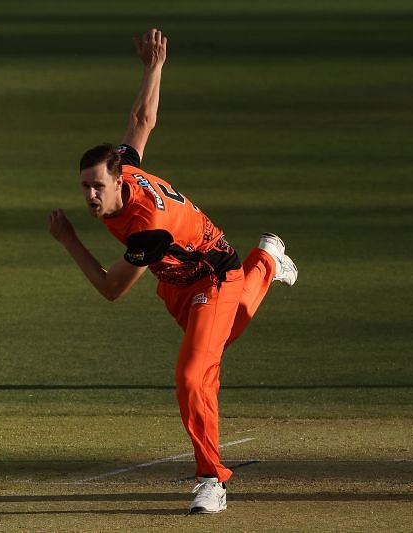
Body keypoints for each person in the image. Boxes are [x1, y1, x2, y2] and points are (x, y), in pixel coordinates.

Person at [47, 28, 297, 514]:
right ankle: (266, 259)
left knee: (191, 376)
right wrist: (153, 66)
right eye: (84, 188)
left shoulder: (147, 228)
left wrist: (69, 240)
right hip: (180, 285)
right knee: (213, 356)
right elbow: (142, 119)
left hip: (211, 277)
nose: (90, 197)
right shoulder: (126, 169)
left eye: (97, 187)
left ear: (118, 177)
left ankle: (211, 480)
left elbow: (111, 289)